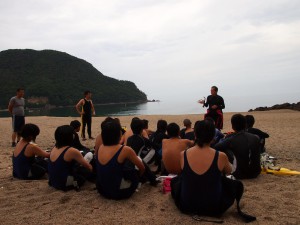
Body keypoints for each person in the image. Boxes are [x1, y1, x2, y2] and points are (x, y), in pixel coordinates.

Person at [170, 120, 256, 222]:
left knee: (176, 180)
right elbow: (229, 171)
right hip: (214, 207)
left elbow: (183, 172)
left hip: (187, 205)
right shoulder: (220, 156)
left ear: (195, 135)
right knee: (232, 183)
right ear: (213, 136)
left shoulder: (183, 154)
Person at [96, 119, 145, 200]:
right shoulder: (125, 150)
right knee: (134, 166)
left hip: (102, 190)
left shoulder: (101, 147)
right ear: (118, 134)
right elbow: (142, 168)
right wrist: (137, 178)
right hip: (119, 193)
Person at [214, 114, 261, 179]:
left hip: (239, 174)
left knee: (223, 149)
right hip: (255, 173)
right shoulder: (256, 137)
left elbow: (216, 147)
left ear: (232, 126)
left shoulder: (231, 139)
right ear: (245, 125)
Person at [48, 125, 93, 191]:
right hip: (64, 183)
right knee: (86, 170)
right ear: (71, 136)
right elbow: (88, 167)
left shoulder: (54, 148)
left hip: (53, 181)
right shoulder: (71, 150)